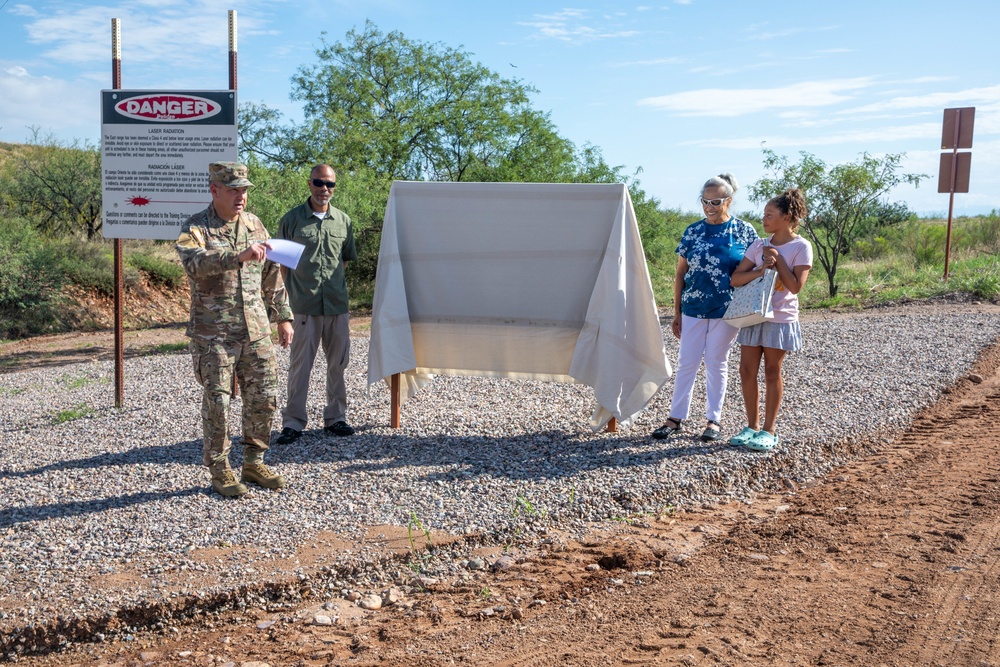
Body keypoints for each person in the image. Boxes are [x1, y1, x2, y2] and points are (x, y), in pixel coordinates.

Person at [176, 161, 294, 498]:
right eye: (233, 189)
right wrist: (235, 256)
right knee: (218, 403)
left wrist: (283, 317)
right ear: (214, 189)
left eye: (244, 189)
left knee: (264, 399)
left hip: (256, 330)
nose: (241, 196)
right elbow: (193, 263)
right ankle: (220, 469)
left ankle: (254, 462)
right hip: (215, 335)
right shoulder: (196, 227)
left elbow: (272, 273)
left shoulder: (255, 224)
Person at [652, 173, 758, 442]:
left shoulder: (744, 231)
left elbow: (756, 270)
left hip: (728, 310)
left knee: (716, 362)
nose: (709, 207)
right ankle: (675, 418)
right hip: (692, 308)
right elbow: (680, 274)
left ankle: (714, 420)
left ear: (729, 201)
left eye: (716, 202)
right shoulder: (693, 231)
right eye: (705, 201)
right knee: (686, 362)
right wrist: (676, 312)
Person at [274, 164, 358, 445]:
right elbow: (282, 267)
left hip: (336, 306)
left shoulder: (343, 221)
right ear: (309, 184)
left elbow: (343, 262)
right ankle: (293, 422)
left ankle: (336, 419)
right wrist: (286, 307)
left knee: (338, 365)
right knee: (300, 367)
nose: (325, 189)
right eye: (319, 183)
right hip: (303, 307)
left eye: (330, 184)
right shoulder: (292, 220)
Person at [728, 188, 813, 452]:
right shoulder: (758, 245)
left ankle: (769, 430)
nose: (763, 219)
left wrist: (778, 263)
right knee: (746, 371)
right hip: (753, 315)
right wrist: (760, 268)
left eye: (769, 215)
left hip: (781, 317)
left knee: (772, 371)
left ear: (786, 217)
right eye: (763, 214)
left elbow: (795, 287)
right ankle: (751, 427)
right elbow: (735, 279)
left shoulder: (801, 247)